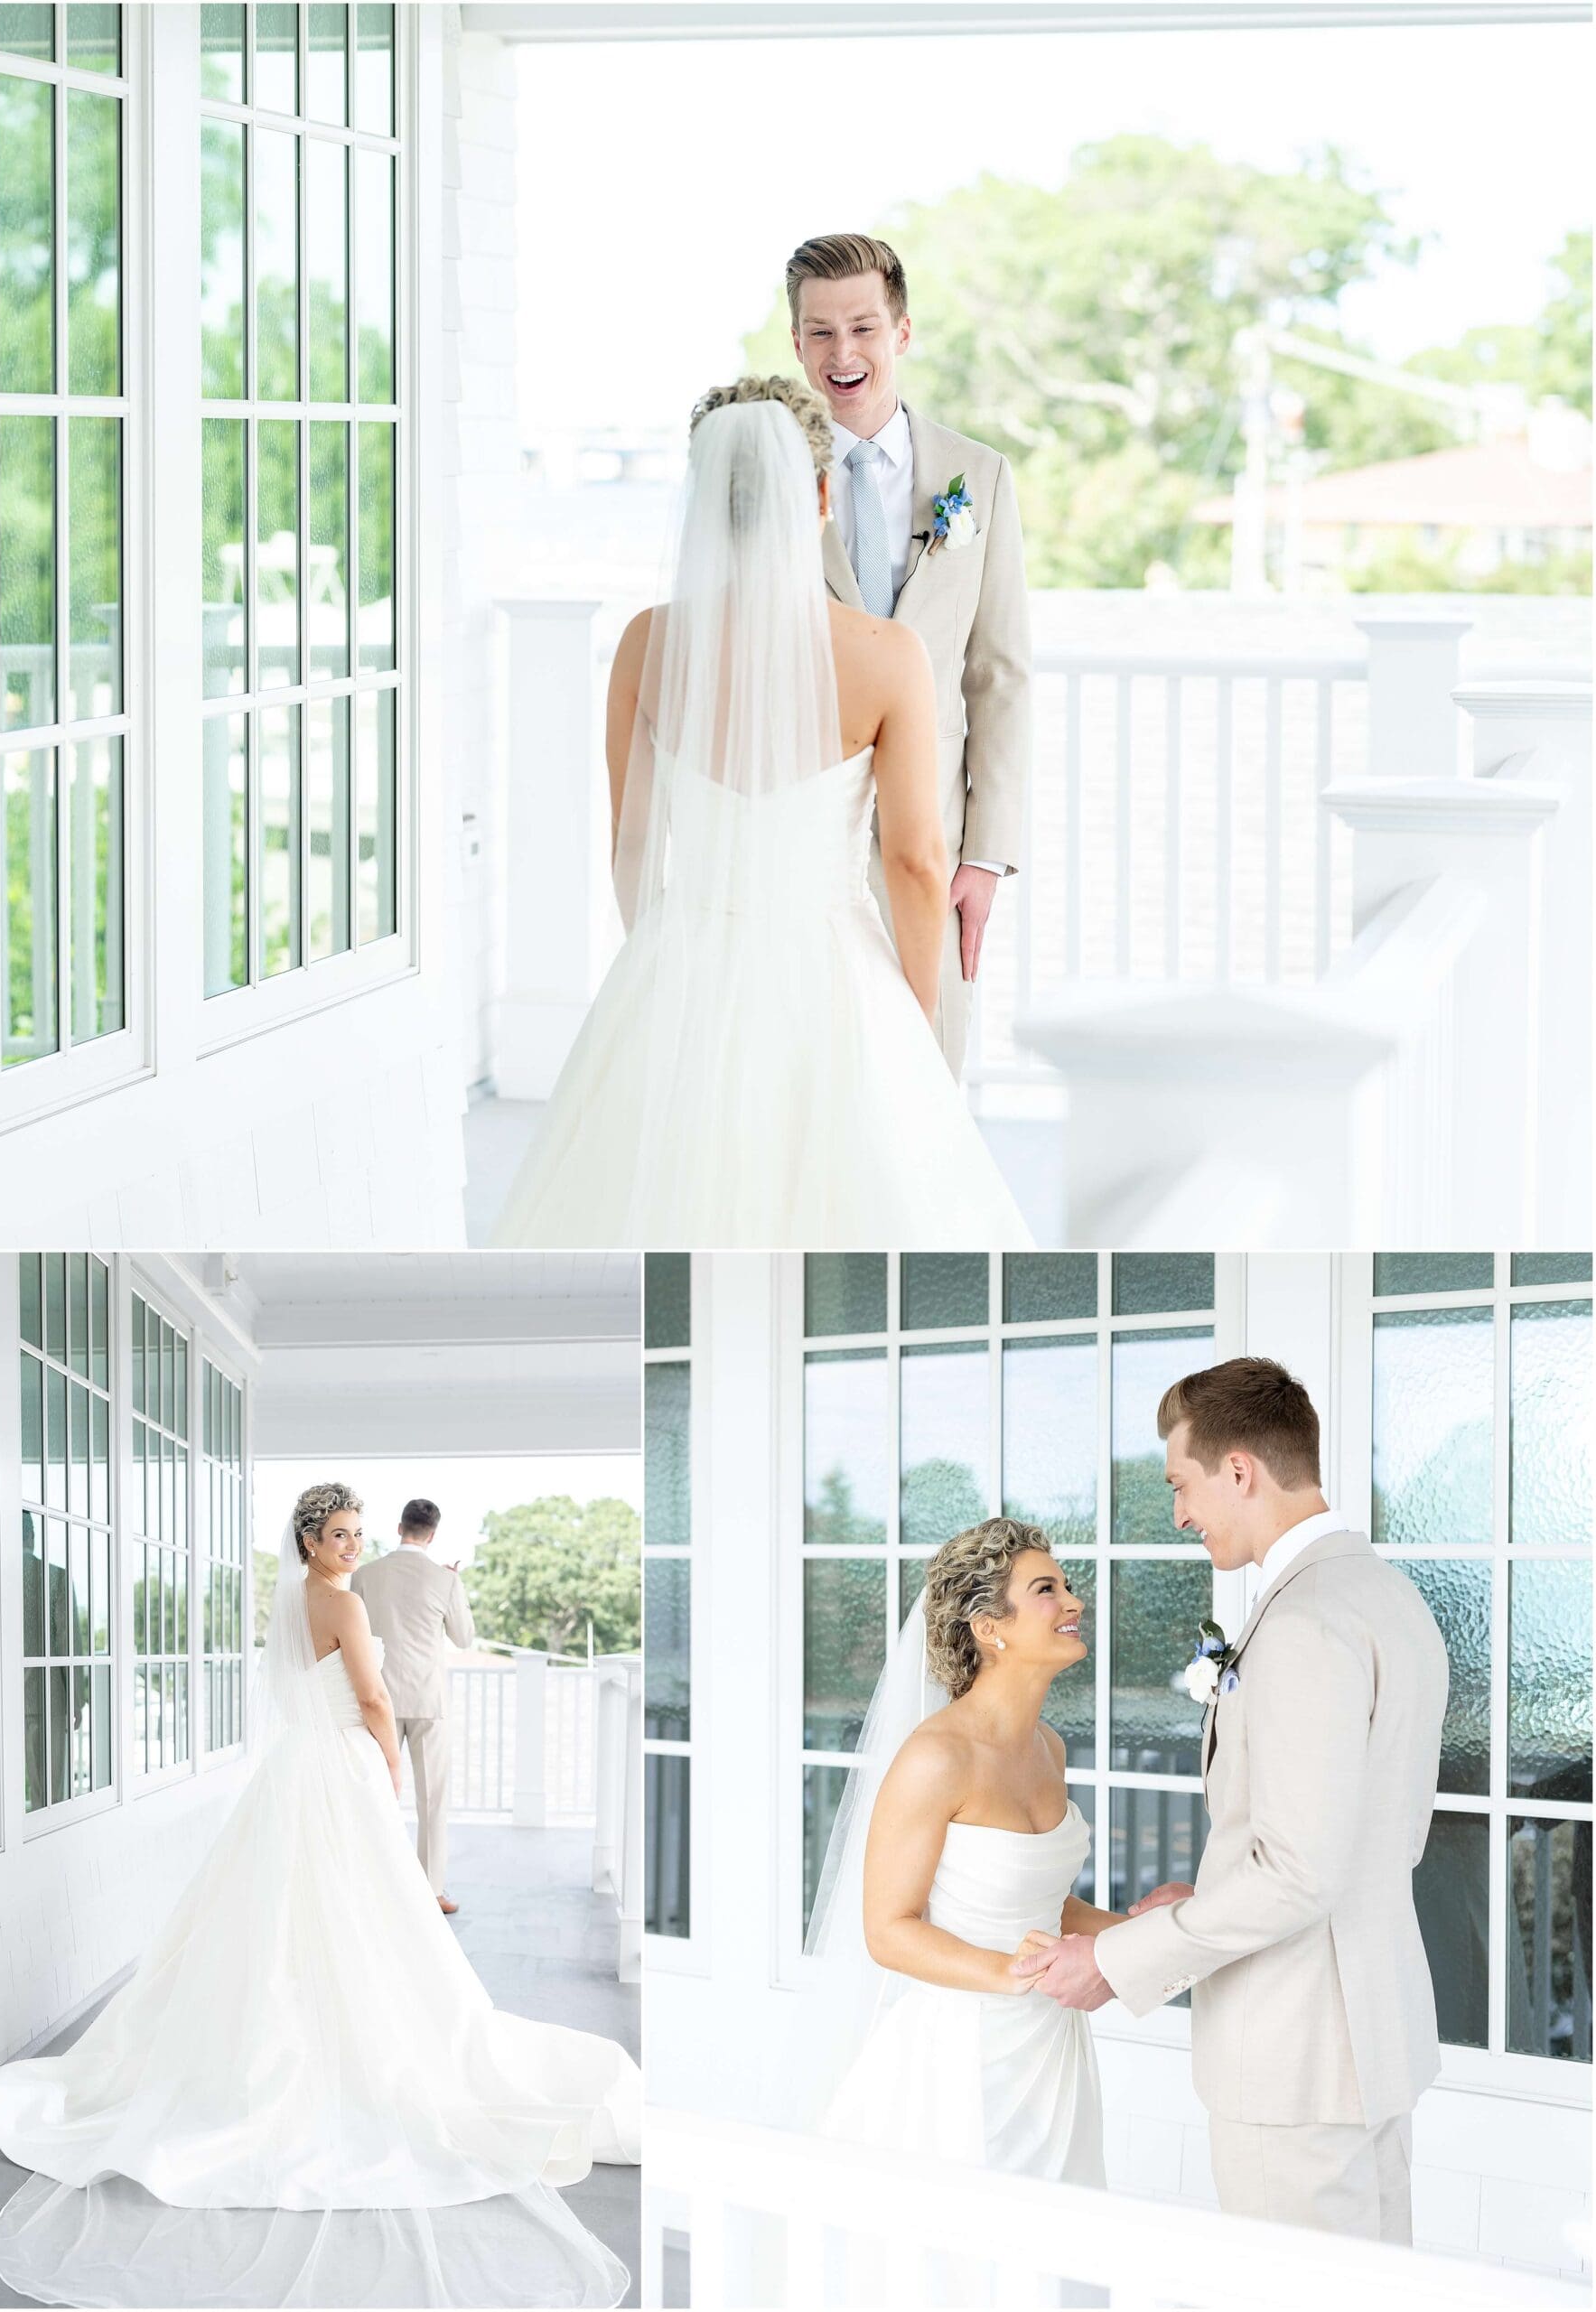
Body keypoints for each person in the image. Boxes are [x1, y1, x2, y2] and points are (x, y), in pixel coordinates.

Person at [0, 1482, 640, 2308]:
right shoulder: (339, 1605)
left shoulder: (298, 1599)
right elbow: (376, 1698)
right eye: (339, 1536)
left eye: (357, 1533)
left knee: (291, 1917)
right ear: (309, 1541)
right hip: (344, 1764)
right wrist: (388, 1764)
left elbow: (306, 1690)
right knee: (361, 1917)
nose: (352, 1546)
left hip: (299, 1767)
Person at [489, 376, 1032, 1249]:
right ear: (819, 494)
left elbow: (631, 843)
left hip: (681, 957)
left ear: (705, 502)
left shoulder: (645, 643)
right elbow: (915, 863)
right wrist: (919, 1020)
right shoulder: (887, 655)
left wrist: (661, 958)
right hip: (833, 967)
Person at [1018, 1359, 1450, 2245]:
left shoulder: (1301, 1623)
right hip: (1367, 2037)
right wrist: (1205, 1898)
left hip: (1294, 2060)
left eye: (1182, 1483)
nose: (1179, 1512)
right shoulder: (1387, 1595)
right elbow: (1363, 1835)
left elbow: (1297, 1874)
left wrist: (1121, 1959)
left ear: (1240, 1469)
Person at [783, 1520, 1108, 2219]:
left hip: (1050, 2052)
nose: (1073, 1602)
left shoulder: (1048, 1747)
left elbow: (1042, 1904)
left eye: (1066, 1584)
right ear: (990, 1628)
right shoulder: (934, 1758)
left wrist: (1149, 1932)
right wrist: (1007, 1974)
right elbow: (888, 1930)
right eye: (1046, 1589)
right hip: (961, 2061)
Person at [789, 231, 1031, 1080]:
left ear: (901, 333)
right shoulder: (766, 475)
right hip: (802, 835)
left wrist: (986, 854)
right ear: (796, 345)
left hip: (936, 839)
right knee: (812, 1073)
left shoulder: (980, 475)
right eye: (819, 332)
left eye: (861, 327)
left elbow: (998, 674)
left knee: (926, 1071)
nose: (841, 353)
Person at [352, 1495, 475, 1913]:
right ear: (433, 1534)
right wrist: (455, 1585)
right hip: (427, 1701)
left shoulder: (367, 1575)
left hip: (377, 1699)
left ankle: (369, 1882)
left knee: (374, 1796)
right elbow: (464, 1638)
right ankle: (431, 1891)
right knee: (432, 1799)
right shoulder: (446, 1581)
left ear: (400, 1527)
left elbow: (355, 1637)